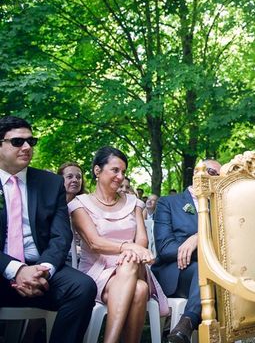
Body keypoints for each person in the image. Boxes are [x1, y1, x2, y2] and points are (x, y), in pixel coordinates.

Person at [0, 116, 97, 342]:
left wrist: (43, 269)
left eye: (31, 142)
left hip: (41, 270)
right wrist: (16, 270)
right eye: (17, 142)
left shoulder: (50, 183)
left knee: (82, 287)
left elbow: (61, 235)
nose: (26, 147)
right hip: (2, 269)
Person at [69, 146, 168, 343]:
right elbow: (95, 243)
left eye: (123, 172)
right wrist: (127, 247)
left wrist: (132, 250)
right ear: (97, 171)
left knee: (129, 264)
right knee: (139, 290)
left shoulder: (134, 203)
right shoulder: (79, 204)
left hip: (135, 264)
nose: (120, 176)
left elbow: (142, 240)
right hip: (98, 271)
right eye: (115, 170)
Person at [152, 158, 222, 343]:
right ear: (195, 175)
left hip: (215, 272)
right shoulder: (168, 202)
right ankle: (187, 325)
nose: (213, 178)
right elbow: (165, 248)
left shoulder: (221, 208)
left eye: (218, 176)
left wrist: (199, 237)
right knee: (205, 272)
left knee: (211, 273)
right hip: (175, 271)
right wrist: (194, 247)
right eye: (210, 172)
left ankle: (185, 325)